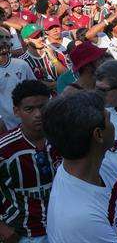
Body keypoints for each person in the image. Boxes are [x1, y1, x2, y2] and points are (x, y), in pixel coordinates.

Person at [43, 91, 117, 242]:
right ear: (98, 135)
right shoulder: (81, 219)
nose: (113, 124)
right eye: (109, 119)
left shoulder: (103, 165)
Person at [0, 80, 57, 243]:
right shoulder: (5, 148)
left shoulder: (63, 138)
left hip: (62, 228)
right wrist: (2, 228)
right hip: (23, 234)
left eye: (43, 107)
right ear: (16, 111)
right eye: (29, 109)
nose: (38, 114)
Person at [0, 27, 36, 132]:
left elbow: (35, 90)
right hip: (4, 129)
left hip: (26, 126)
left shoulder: (21, 65)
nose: (4, 41)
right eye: (0, 38)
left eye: (7, 38)